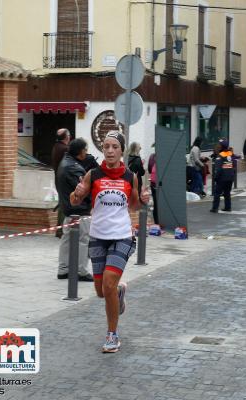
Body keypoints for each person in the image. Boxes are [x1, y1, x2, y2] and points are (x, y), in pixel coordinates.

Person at [70, 131, 150, 353]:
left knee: (108, 283)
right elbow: (75, 200)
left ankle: (112, 334)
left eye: (114, 146)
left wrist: (142, 200)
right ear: (102, 149)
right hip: (98, 237)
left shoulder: (130, 176)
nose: (110, 150)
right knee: (101, 291)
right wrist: (76, 194)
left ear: (121, 150)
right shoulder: (93, 174)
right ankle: (119, 293)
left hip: (122, 235)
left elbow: (133, 206)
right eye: (106, 146)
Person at [56, 138, 94, 282]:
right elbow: (84, 190)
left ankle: (63, 269)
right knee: (83, 240)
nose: (87, 152)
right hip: (80, 210)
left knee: (66, 240)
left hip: (68, 209)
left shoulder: (64, 163)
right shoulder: (74, 168)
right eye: (85, 149)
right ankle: (81, 271)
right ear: (79, 151)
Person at [51, 128, 72, 239]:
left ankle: (60, 229)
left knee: (62, 203)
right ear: (66, 137)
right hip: (64, 181)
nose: (70, 137)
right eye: (69, 135)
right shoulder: (65, 149)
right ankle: (60, 230)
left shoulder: (56, 147)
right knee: (64, 205)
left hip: (58, 179)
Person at [210, 140, 236, 213]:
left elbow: (219, 169)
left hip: (222, 177)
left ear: (221, 146)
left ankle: (215, 208)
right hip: (230, 177)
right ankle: (228, 207)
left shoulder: (220, 155)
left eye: (219, 145)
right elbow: (234, 164)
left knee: (217, 193)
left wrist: (216, 177)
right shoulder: (230, 153)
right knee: (227, 193)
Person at [147, 146, 159, 224]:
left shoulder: (152, 156)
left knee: (155, 203)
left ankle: (156, 222)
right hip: (158, 183)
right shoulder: (161, 157)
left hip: (153, 182)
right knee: (159, 204)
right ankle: (159, 222)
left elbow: (149, 169)